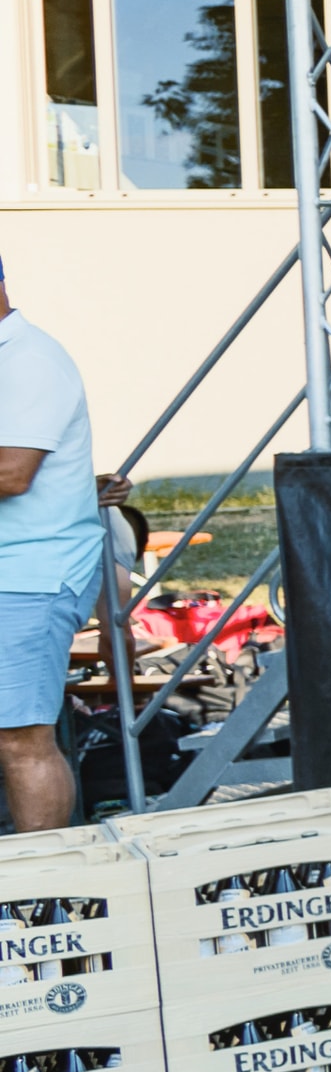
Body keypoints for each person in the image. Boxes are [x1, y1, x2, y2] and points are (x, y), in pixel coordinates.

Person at [0, 263, 106, 832]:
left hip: (28, 577)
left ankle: (42, 902)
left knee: (21, 738)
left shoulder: (30, 362)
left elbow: (12, 473)